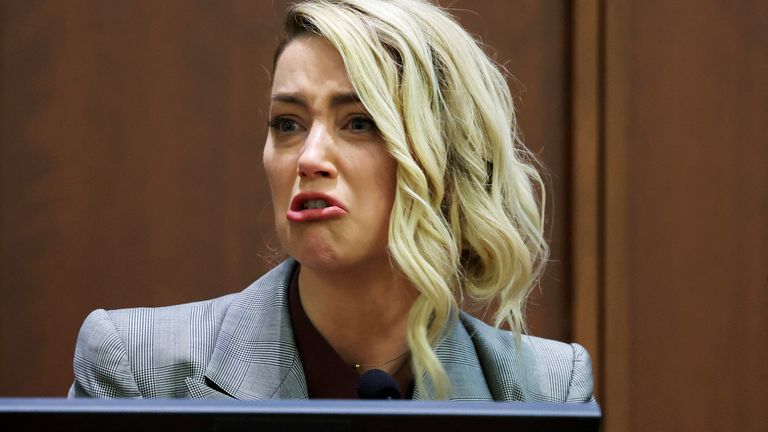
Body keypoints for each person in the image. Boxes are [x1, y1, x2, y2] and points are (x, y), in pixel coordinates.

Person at [69, 0, 595, 402]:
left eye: (359, 123)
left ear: (445, 158)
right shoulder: (139, 367)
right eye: (288, 124)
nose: (309, 158)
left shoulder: (544, 388)